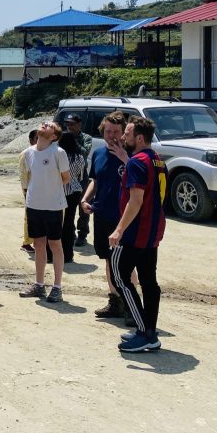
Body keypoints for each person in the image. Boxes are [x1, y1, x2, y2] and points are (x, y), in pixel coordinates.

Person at [110, 117, 167, 353]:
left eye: (128, 133)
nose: (123, 137)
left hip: (136, 232)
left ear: (140, 138)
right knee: (149, 282)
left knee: (120, 276)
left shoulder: (137, 162)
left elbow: (136, 200)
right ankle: (149, 331)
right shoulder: (157, 160)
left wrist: (119, 229)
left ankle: (145, 332)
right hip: (153, 230)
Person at [81, 111, 130, 319]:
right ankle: (115, 301)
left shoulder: (132, 155)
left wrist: (125, 158)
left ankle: (131, 305)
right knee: (109, 260)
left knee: (125, 262)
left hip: (123, 217)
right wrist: (85, 199)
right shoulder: (99, 153)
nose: (112, 136)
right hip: (101, 214)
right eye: (108, 131)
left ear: (124, 133)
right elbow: (95, 180)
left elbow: (141, 180)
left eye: (116, 132)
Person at [18, 122, 70, 303]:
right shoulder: (28, 153)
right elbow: (27, 177)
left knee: (55, 244)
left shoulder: (58, 152)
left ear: (54, 136)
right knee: (38, 244)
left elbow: (66, 178)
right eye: (44, 123)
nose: (45, 124)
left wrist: (49, 188)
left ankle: (57, 287)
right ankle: (39, 285)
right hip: (34, 205)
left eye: (50, 125)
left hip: (54, 206)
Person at [57, 131, 87, 263]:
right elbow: (80, 176)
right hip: (74, 191)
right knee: (69, 223)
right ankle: (68, 254)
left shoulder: (58, 156)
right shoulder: (79, 157)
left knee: (56, 222)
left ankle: (53, 253)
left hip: (59, 190)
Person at [64, 114, 93, 246]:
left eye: (72, 124)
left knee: (83, 205)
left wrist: (72, 140)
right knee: (68, 206)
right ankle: (70, 232)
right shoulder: (64, 137)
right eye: (67, 124)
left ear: (79, 125)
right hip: (67, 175)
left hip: (81, 176)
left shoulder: (86, 138)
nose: (69, 127)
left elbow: (85, 152)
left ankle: (82, 233)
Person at [18, 129, 38, 254]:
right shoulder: (25, 154)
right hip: (30, 190)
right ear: (31, 140)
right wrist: (26, 192)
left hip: (40, 190)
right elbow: (23, 175)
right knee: (29, 217)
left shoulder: (42, 153)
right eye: (37, 138)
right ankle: (26, 243)